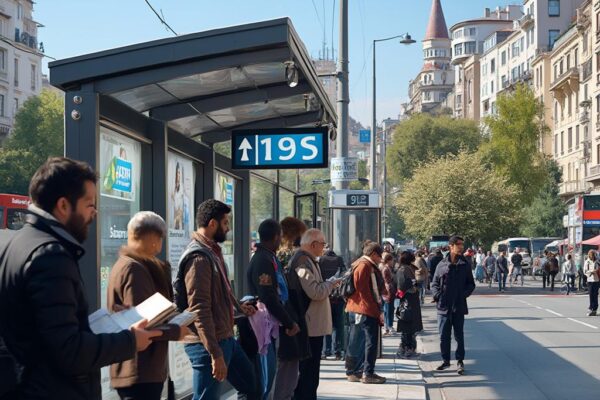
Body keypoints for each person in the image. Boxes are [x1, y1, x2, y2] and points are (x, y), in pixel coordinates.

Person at [0, 157, 160, 400]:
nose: (94, 214)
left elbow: (45, 330)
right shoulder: (50, 256)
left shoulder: (15, 243)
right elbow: (69, 351)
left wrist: (108, 320)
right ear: (63, 205)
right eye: (89, 205)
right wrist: (130, 341)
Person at [181, 199, 258, 400]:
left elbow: (220, 292)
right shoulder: (199, 258)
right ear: (212, 224)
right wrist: (215, 354)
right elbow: (199, 309)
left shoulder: (212, 251)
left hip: (225, 338)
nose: (228, 228)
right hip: (207, 344)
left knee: (252, 387)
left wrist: (238, 307)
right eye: (225, 223)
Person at [108, 211, 189, 400]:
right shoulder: (134, 269)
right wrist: (177, 330)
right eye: (160, 238)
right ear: (154, 239)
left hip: (140, 370)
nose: (160, 245)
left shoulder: (128, 264)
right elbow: (144, 324)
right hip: (140, 371)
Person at [246, 219, 299, 400]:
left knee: (271, 377)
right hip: (264, 327)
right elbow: (268, 296)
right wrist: (289, 322)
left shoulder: (270, 256)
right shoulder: (262, 259)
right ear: (276, 237)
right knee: (266, 379)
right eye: (280, 237)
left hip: (272, 326)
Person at [291, 229, 339, 400]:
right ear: (313, 245)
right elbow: (315, 292)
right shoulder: (302, 262)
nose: (324, 248)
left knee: (311, 374)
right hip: (310, 327)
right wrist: (331, 283)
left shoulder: (309, 260)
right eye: (322, 244)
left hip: (313, 325)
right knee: (308, 375)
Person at [271, 218, 309, 400]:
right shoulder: (289, 256)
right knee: (287, 368)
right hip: (286, 315)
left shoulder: (280, 256)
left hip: (287, 313)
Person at [431, 235, 476, 375]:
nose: (461, 247)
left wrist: (463, 294)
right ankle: (445, 361)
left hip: (458, 305)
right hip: (443, 307)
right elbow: (434, 284)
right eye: (458, 244)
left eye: (462, 244)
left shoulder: (465, 264)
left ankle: (460, 361)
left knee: (459, 336)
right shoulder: (441, 264)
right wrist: (438, 296)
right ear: (451, 246)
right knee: (444, 336)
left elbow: (471, 284)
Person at [345, 241, 387, 384]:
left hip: (359, 308)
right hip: (364, 310)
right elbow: (362, 290)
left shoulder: (361, 263)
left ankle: (355, 371)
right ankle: (367, 373)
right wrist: (375, 310)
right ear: (373, 254)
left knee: (357, 342)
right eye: (379, 255)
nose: (380, 258)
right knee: (369, 342)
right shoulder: (364, 265)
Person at [319, 248, 347, 359]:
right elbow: (344, 277)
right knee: (339, 326)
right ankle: (338, 351)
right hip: (338, 298)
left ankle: (326, 350)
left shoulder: (321, 261)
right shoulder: (339, 260)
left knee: (326, 325)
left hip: (325, 298)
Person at [395, 251, 423, 358]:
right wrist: (414, 284)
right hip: (409, 300)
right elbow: (405, 285)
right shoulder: (405, 269)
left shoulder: (403, 268)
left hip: (407, 300)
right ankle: (408, 348)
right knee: (409, 325)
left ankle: (406, 347)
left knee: (407, 324)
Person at [379, 252, 396, 335]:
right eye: (392, 260)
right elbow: (387, 280)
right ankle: (389, 326)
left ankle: (387, 326)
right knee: (389, 309)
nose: (393, 262)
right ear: (389, 260)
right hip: (388, 291)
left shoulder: (387, 268)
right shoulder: (386, 269)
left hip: (387, 291)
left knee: (387, 309)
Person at [584, 250, 599, 316]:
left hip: (596, 280)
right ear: (589, 255)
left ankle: (595, 308)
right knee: (591, 294)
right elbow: (585, 271)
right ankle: (591, 307)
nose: (592, 256)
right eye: (591, 255)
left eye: (593, 255)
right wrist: (591, 272)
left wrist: (596, 271)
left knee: (595, 294)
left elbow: (598, 268)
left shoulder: (597, 261)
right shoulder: (587, 262)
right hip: (590, 280)